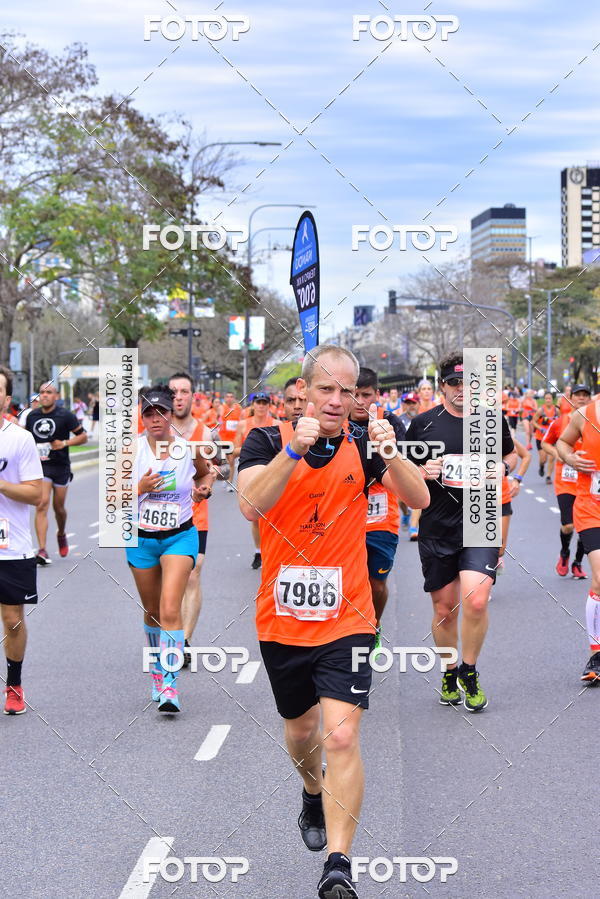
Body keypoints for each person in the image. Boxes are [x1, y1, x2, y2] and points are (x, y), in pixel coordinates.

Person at [237, 345, 429, 899]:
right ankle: (310, 790)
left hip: (347, 616)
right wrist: (292, 452)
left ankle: (339, 863)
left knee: (341, 734)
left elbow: (419, 497)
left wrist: (393, 457)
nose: (339, 400)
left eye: (348, 391)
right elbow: (250, 505)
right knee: (301, 732)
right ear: (306, 390)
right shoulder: (267, 440)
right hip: (283, 620)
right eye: (328, 389)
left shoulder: (368, 443)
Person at [406, 352, 516, 712]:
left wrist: (500, 467)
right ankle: (449, 670)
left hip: (479, 518)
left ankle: (469, 669)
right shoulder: (423, 424)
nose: (461, 389)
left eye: (468, 382)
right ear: (442, 386)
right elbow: (404, 471)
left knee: (478, 599)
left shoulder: (491, 421)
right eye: (454, 382)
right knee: (444, 609)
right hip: (437, 525)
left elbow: (511, 456)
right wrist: (423, 469)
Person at [127, 385, 212, 713]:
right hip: (141, 539)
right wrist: (140, 488)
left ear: (170, 414)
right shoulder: (130, 452)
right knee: (150, 612)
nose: (155, 418)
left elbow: (206, 475)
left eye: (160, 411)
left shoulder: (188, 449)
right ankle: (157, 674)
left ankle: (170, 684)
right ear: (141, 416)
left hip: (180, 536)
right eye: (148, 413)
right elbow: (110, 499)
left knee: (169, 608)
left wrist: (202, 490)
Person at [350, 368, 406, 648]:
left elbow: (405, 468)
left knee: (376, 584)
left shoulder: (391, 423)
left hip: (381, 516)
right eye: (354, 394)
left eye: (366, 395)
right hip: (345, 514)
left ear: (377, 395)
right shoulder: (339, 423)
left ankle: (374, 624)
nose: (359, 401)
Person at [0, 366, 44, 715]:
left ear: (7, 398)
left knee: (12, 619)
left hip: (10, 545)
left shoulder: (19, 438)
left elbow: (35, 495)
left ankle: (13, 684)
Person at [168, 373, 218, 668]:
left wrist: (207, 485)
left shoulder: (204, 433)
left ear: (192, 397)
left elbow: (214, 471)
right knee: (165, 581)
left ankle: (184, 641)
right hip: (160, 516)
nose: (179, 396)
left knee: (193, 571)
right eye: (173, 392)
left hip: (195, 514)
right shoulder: (155, 430)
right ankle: (168, 633)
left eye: (184, 391)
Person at [556, 394, 600, 683]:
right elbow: (562, 443)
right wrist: (569, 456)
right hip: (591, 507)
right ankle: (597, 653)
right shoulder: (585, 414)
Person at [25, 381, 87, 564]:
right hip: (41, 467)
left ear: (56, 396)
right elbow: (26, 439)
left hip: (61, 466)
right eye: (42, 392)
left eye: (49, 392)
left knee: (58, 508)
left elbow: (83, 436)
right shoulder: (32, 416)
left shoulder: (65, 415)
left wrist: (65, 443)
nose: (44, 395)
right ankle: (42, 550)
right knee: (41, 504)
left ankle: (61, 533)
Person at [542, 384, 592, 579]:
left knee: (585, 528)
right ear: (570, 398)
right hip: (565, 482)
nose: (581, 398)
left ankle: (578, 563)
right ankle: (564, 553)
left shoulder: (593, 422)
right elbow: (546, 442)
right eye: (577, 395)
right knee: (568, 525)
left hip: (588, 482)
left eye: (584, 395)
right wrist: (558, 454)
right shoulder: (561, 422)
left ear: (589, 399)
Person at [233, 392, 276, 569]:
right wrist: (254, 448)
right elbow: (234, 450)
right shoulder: (243, 425)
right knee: (256, 518)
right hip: (251, 473)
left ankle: (273, 551)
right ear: (253, 405)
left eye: (265, 402)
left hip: (272, 473)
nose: (261, 406)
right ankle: (259, 551)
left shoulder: (277, 424)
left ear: (269, 405)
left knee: (274, 516)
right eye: (258, 402)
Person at [497, 437, 531, 574]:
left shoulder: (499, 433)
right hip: (473, 499)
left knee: (499, 549)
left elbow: (526, 456)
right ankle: (482, 585)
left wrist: (517, 480)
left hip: (501, 497)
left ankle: (494, 560)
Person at [218, 391, 243, 491]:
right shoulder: (221, 407)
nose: (229, 398)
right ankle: (226, 477)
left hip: (234, 439)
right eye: (227, 397)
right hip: (223, 438)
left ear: (234, 398)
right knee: (225, 461)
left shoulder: (239, 408)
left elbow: (241, 420)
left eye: (231, 397)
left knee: (231, 460)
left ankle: (229, 482)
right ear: (224, 398)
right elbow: (221, 418)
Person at [533, 391, 558, 483]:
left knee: (552, 457)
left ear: (552, 400)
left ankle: (548, 477)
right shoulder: (541, 410)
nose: (548, 400)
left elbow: (560, 421)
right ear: (544, 399)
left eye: (549, 398)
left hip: (552, 438)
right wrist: (540, 428)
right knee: (543, 459)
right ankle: (541, 466)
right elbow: (534, 422)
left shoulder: (556, 410)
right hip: (541, 437)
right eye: (546, 398)